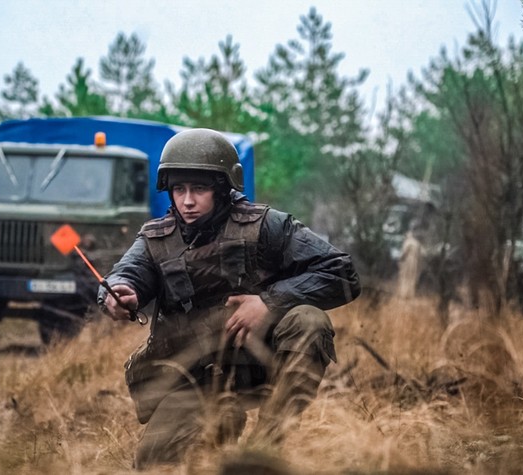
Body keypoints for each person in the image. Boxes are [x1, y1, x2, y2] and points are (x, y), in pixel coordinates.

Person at [98, 128, 361, 468]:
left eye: (199, 189)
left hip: (262, 364)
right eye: (179, 189)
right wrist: (120, 293)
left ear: (223, 188)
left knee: (308, 321)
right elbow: (126, 274)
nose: (187, 201)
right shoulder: (156, 239)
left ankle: (265, 447)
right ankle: (223, 422)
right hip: (196, 379)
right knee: (153, 464)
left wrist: (268, 302)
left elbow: (342, 271)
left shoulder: (267, 226)